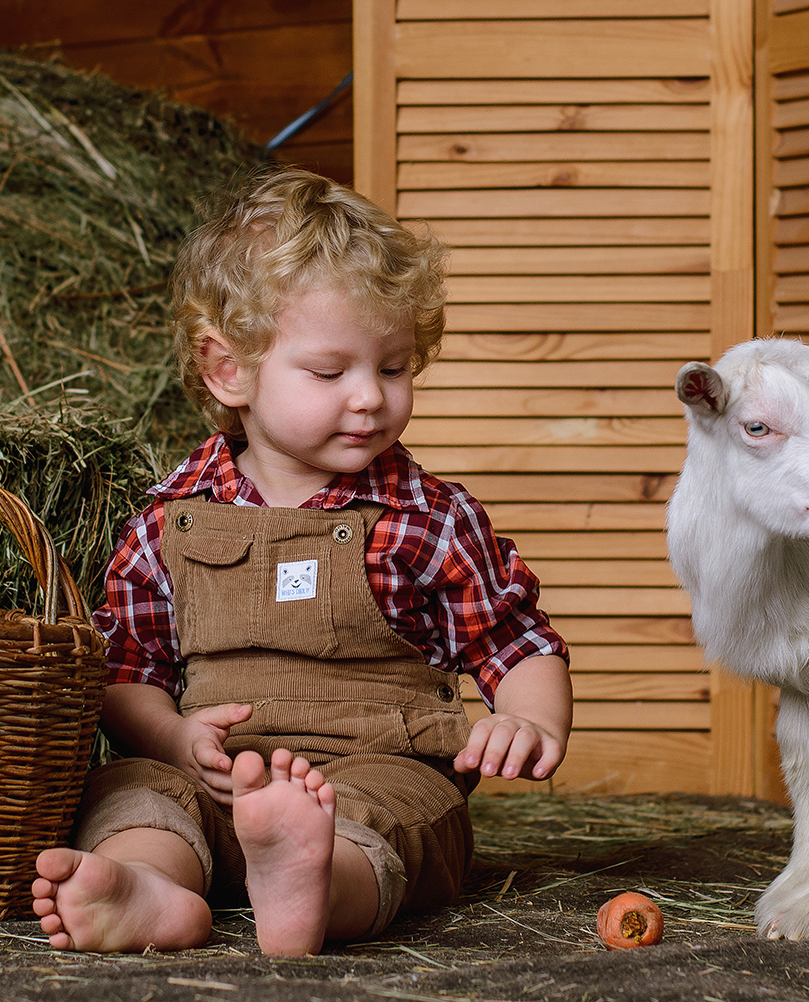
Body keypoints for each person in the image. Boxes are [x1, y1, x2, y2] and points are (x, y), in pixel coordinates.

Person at [33, 167, 571, 956]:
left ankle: (316, 882)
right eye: (331, 371)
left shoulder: (429, 518)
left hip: (381, 770)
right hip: (222, 779)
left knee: (398, 822)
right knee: (134, 790)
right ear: (230, 371)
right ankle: (150, 886)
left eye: (392, 367)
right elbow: (126, 669)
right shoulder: (168, 519)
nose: (370, 397)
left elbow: (514, 640)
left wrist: (528, 717)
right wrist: (176, 739)